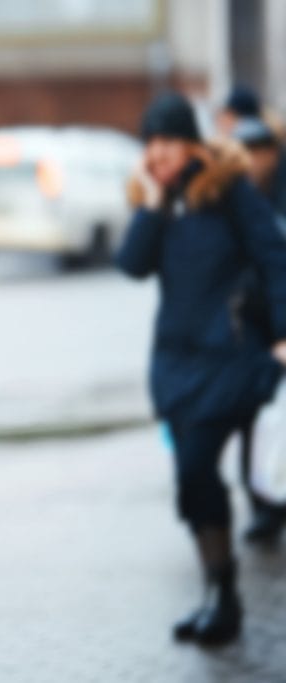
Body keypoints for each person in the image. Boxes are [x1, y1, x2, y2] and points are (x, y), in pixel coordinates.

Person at [117, 92, 286, 646]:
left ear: (190, 142)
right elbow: (132, 265)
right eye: (151, 145)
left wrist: (283, 334)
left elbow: (273, 254)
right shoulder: (162, 201)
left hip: (230, 355)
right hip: (176, 362)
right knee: (193, 483)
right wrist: (154, 199)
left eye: (167, 141)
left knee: (196, 470)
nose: (159, 153)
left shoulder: (230, 190)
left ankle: (226, 596)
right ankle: (219, 595)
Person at [232, 113, 286, 544]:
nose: (251, 161)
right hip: (249, 325)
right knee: (251, 415)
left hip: (280, 322)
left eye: (257, 151)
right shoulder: (231, 196)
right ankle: (262, 503)